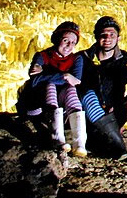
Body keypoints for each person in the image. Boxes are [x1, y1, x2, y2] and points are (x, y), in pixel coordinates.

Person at [78, 16, 127, 166]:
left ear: (118, 38)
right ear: (97, 37)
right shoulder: (82, 58)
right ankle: (119, 151)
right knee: (88, 94)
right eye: (103, 35)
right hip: (91, 119)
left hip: (114, 113)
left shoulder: (125, 59)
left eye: (112, 35)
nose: (108, 39)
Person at [18, 21, 88, 155]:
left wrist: (46, 74)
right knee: (49, 86)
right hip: (37, 102)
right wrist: (64, 76)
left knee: (70, 90)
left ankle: (79, 144)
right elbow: (34, 80)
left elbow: (76, 81)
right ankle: (57, 139)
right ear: (57, 39)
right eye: (66, 40)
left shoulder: (76, 59)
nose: (69, 46)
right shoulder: (42, 56)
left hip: (62, 98)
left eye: (73, 42)